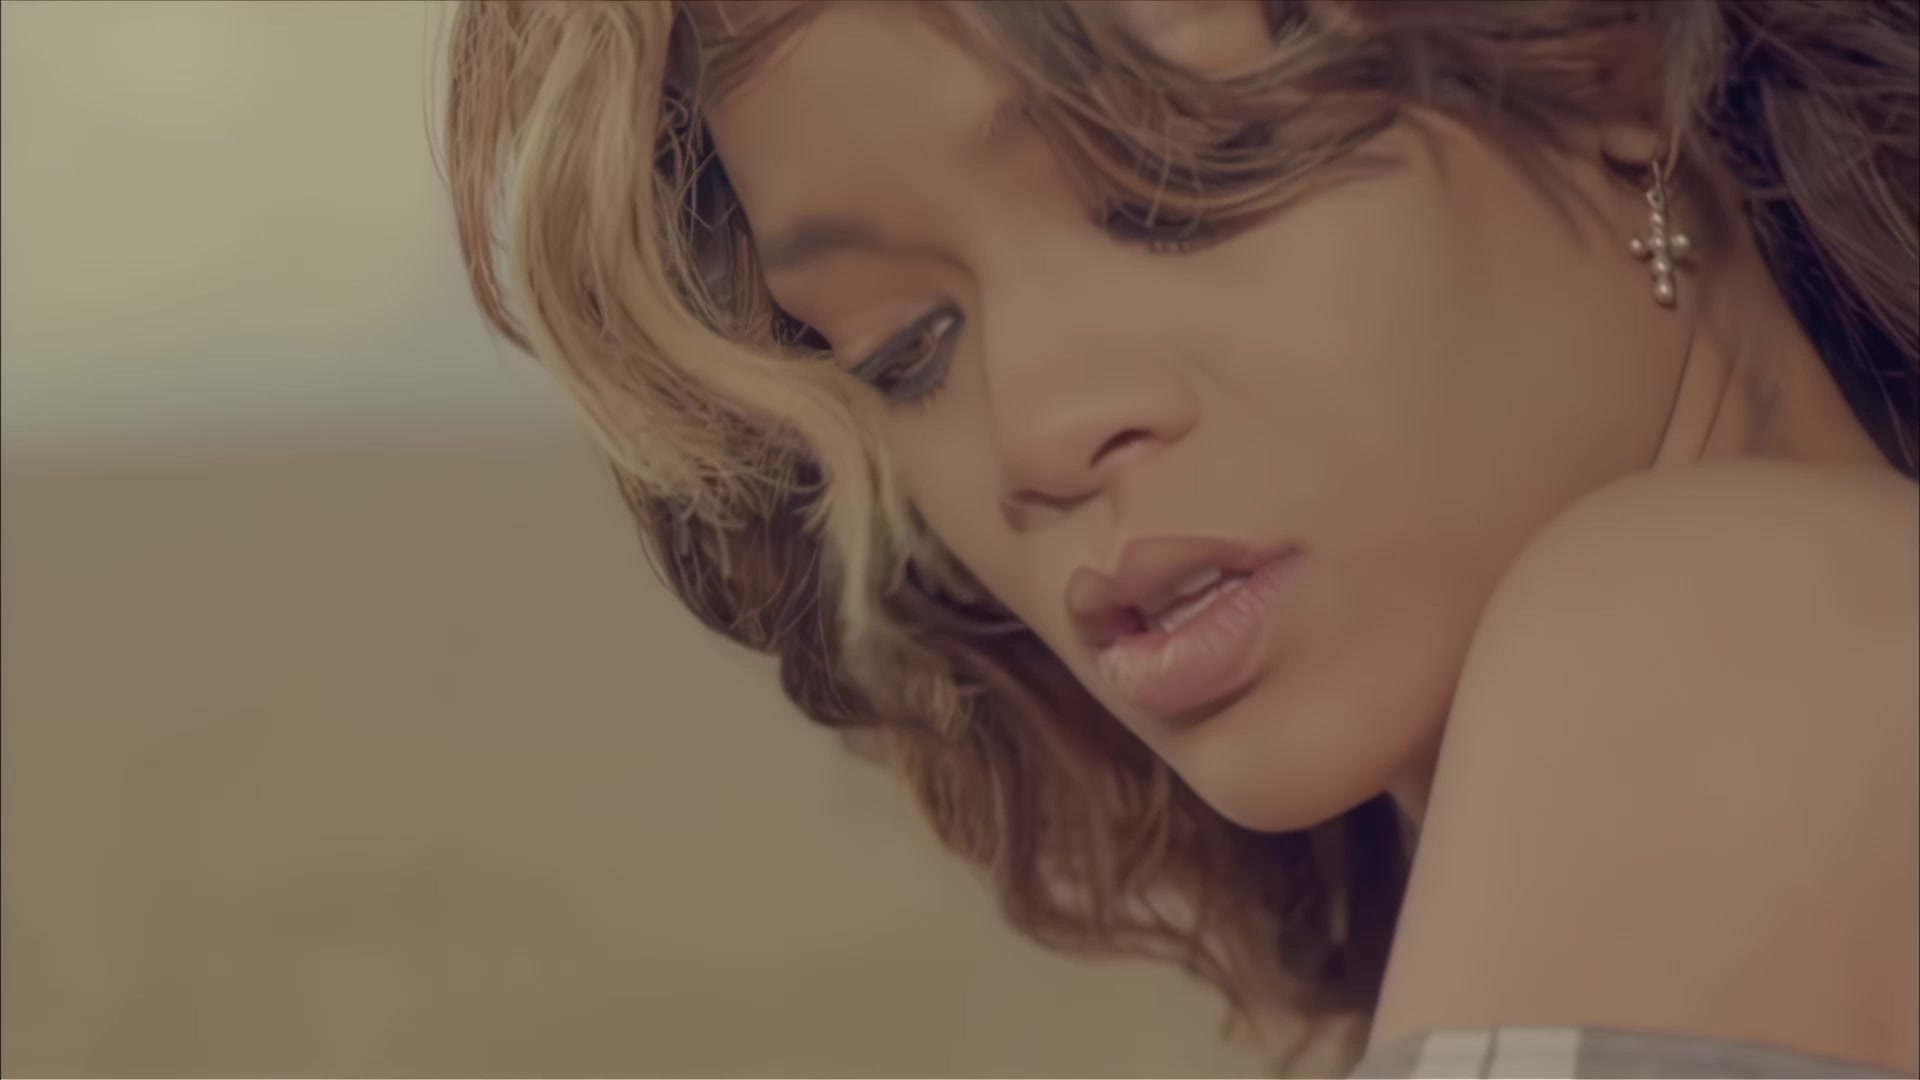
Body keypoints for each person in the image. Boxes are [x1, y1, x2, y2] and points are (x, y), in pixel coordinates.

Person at [440, 1, 1919, 1075]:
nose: (1034, 435)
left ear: (1610, 52)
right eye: (902, 348)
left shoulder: (1715, 625)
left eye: (1161, 189)